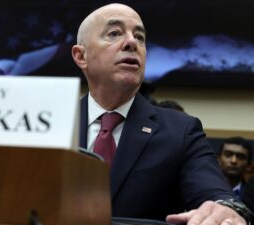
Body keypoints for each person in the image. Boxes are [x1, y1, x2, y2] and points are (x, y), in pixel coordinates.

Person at [71, 3, 252, 225]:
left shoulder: (181, 131)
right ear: (81, 56)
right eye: (114, 33)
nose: (131, 42)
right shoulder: (52, 123)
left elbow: (215, 194)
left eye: (140, 37)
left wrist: (226, 209)